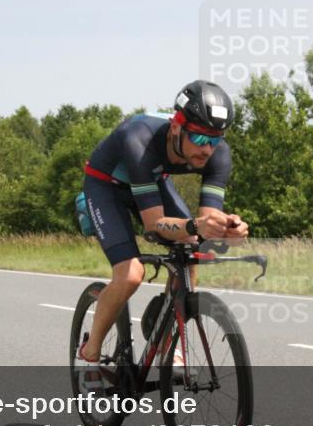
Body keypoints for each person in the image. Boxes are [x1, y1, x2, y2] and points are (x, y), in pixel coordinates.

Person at [78, 80, 249, 370]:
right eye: (199, 138)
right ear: (175, 127)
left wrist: (228, 229)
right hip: (106, 186)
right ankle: (91, 349)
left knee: (192, 250)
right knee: (131, 275)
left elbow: (207, 221)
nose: (207, 149)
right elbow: (155, 224)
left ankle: (167, 338)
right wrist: (196, 226)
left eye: (215, 139)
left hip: (152, 181)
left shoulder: (219, 154)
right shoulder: (139, 138)